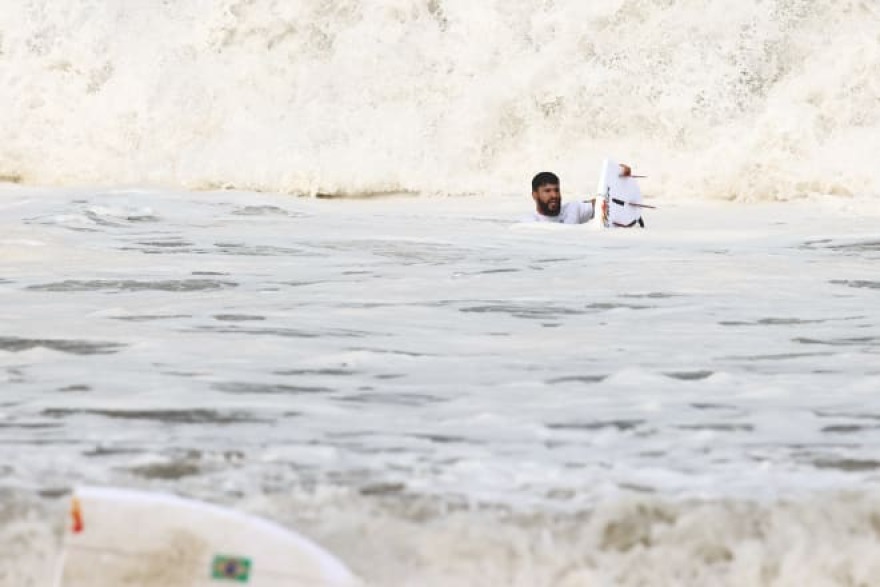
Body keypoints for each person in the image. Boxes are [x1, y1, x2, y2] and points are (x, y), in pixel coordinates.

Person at [525, 165, 633, 225]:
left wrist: (618, 174)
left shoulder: (572, 209)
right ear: (534, 195)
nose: (554, 195)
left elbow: (604, 201)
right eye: (547, 191)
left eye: (556, 190)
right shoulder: (530, 223)